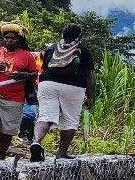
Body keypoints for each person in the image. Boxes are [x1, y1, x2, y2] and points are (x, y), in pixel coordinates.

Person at [30, 23, 95, 161]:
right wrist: (90, 97)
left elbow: (44, 67)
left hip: (48, 84)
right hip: (74, 87)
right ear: (79, 36)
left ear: (62, 35)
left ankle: (36, 142)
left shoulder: (51, 48)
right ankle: (61, 153)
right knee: (70, 119)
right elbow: (88, 76)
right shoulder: (83, 51)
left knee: (45, 115)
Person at [0, 22, 39, 159]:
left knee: (7, 129)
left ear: (19, 40)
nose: (9, 40)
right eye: (6, 37)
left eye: (13, 38)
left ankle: (1, 155)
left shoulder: (27, 56)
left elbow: (34, 74)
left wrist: (24, 75)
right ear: (2, 38)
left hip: (14, 97)